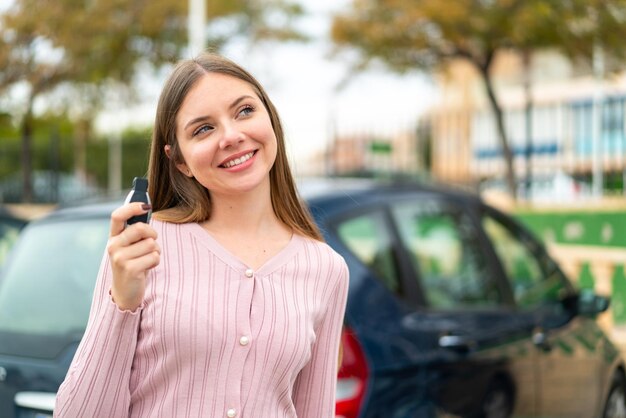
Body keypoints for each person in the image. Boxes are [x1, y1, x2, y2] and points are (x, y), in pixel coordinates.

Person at [54, 52, 349, 418]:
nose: (232, 136)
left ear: (270, 119)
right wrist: (122, 303)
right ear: (179, 161)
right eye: (203, 129)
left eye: (244, 111)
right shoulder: (143, 245)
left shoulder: (326, 269)